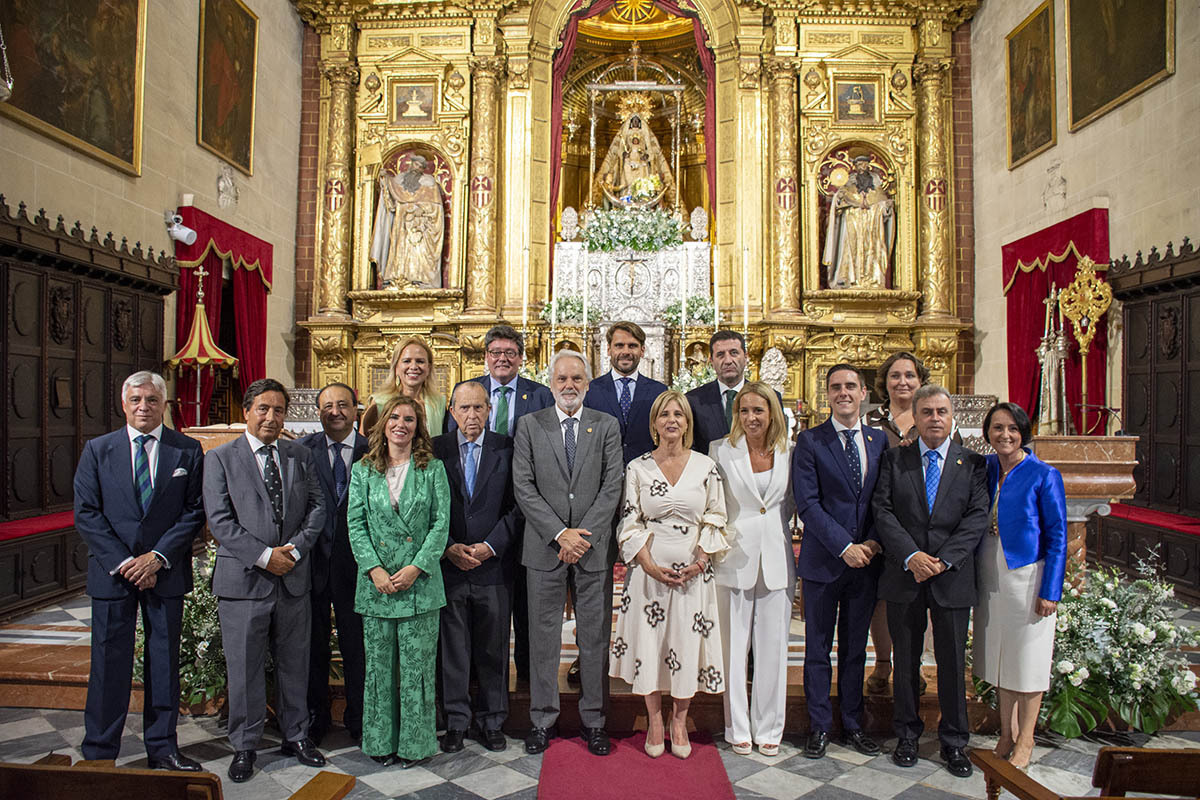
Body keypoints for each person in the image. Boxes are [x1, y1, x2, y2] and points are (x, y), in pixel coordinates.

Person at [73, 371, 206, 771]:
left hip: (165, 570)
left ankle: (163, 748)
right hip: (113, 572)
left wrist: (157, 557)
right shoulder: (98, 450)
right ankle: (100, 751)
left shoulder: (187, 450)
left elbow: (195, 510)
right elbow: (87, 513)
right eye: (136, 400)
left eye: (151, 400)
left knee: (163, 662)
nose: (143, 407)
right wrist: (125, 562)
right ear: (123, 403)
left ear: (164, 404)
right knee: (108, 664)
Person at [203, 379, 328, 783]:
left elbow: (318, 507)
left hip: (292, 577)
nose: (272, 417)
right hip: (243, 581)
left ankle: (297, 735)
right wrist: (264, 556)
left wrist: (294, 551)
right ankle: (245, 745)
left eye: (278, 410)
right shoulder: (221, 458)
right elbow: (220, 520)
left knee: (295, 664)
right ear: (246, 411)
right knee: (244, 669)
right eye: (263, 409)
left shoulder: (298, 454)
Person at [872, 384, 988, 778]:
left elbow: (977, 516)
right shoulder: (895, 459)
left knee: (952, 662)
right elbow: (883, 511)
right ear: (916, 418)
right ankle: (906, 734)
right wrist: (912, 556)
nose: (935, 418)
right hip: (905, 573)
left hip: (951, 576)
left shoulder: (973, 463)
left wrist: (944, 560)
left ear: (952, 417)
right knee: (905, 660)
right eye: (927, 412)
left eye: (941, 411)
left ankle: (954, 741)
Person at [512, 350, 624, 756]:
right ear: (551, 384)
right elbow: (523, 486)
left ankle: (595, 721)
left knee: (594, 639)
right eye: (561, 379)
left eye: (577, 378)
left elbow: (612, 485)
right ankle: (542, 720)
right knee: (543, 640)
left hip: (592, 550)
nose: (569, 385)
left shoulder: (606, 425)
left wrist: (583, 537)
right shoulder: (530, 425)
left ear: (588, 384)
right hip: (545, 549)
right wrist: (561, 534)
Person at [611, 390, 729, 759]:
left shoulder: (706, 467)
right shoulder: (638, 468)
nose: (672, 420)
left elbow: (716, 516)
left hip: (694, 576)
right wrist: (648, 564)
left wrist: (701, 559)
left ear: (688, 423)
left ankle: (679, 720)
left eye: (679, 414)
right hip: (649, 576)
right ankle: (654, 719)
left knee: (685, 645)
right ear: (655, 423)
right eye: (664, 414)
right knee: (650, 646)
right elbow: (629, 520)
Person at [347, 394, 450, 767]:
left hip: (419, 586)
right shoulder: (363, 470)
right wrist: (373, 568)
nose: (400, 425)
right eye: (394, 417)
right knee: (379, 669)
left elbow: (441, 523)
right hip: (377, 586)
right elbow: (355, 523)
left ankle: (414, 744)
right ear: (382, 423)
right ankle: (380, 742)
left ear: (418, 427)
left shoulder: (433, 469)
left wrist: (416, 567)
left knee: (416, 670)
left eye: (409, 419)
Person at [792, 365, 888, 760]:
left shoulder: (879, 441)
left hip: (867, 562)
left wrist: (873, 542)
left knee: (854, 649)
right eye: (835, 387)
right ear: (827, 394)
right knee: (817, 648)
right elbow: (808, 504)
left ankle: (852, 723)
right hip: (824, 562)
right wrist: (844, 545)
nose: (843, 393)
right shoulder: (810, 441)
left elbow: (885, 500)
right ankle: (819, 726)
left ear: (863, 393)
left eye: (850, 386)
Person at [451, 324, 554, 684]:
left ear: (521, 358)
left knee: (524, 604)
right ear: (486, 356)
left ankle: (525, 682)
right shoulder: (468, 392)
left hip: (525, 512)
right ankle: (475, 685)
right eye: (495, 352)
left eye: (510, 353)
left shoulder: (540, 395)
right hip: (478, 513)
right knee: (479, 612)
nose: (502, 359)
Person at [973, 402, 1067, 770]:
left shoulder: (1044, 474)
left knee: (1028, 659)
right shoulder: (986, 467)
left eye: (1013, 428)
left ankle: (1027, 737)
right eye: (997, 428)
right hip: (990, 571)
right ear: (988, 432)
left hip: (1028, 574)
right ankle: (1007, 732)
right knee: (1003, 657)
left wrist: (1050, 591)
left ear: (1023, 432)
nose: (1005, 435)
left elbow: (1058, 536)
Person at [432, 381, 522, 753]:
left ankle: (491, 720)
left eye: (478, 408)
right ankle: (456, 722)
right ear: (452, 411)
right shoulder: (435, 450)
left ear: (489, 410)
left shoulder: (507, 447)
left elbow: (518, 506)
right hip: (449, 565)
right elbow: (425, 507)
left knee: (493, 648)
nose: (472, 415)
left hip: (493, 566)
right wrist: (448, 547)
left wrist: (490, 546)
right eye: (464, 408)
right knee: (453, 649)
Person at [864, 351, 956, 695]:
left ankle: (911, 666)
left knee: (919, 600)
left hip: (924, 529)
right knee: (882, 598)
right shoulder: (870, 422)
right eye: (895, 376)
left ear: (920, 381)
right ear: (884, 382)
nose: (902, 382)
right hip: (879, 524)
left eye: (909, 376)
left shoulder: (933, 418)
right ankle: (882, 662)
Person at [710, 382, 794, 757]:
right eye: (744, 411)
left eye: (758, 410)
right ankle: (738, 727)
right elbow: (714, 504)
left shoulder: (789, 450)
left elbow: (790, 504)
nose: (750, 417)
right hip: (734, 557)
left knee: (773, 647)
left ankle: (770, 727)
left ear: (772, 412)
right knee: (733, 648)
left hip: (776, 555)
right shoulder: (720, 450)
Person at [298, 383, 369, 745]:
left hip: (359, 566)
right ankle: (316, 717)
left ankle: (359, 717)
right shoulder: (301, 451)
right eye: (327, 406)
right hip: (312, 563)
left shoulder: (374, 450)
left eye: (343, 405)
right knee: (314, 647)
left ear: (357, 409)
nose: (335, 412)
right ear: (318, 412)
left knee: (358, 647)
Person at [584, 321, 668, 464]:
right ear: (608, 350)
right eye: (619, 345)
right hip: (602, 471)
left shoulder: (659, 391)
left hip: (647, 470)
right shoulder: (591, 390)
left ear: (642, 351)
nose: (626, 352)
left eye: (632, 346)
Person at [687, 330, 779, 456]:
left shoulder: (770, 397)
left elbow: (777, 440)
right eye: (720, 355)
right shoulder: (693, 400)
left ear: (746, 357)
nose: (728, 360)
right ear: (711, 361)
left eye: (734, 353)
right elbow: (690, 449)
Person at [370, 153, 445, 288]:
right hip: (401, 224)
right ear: (411, 164)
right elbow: (390, 203)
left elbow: (436, 207)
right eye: (416, 164)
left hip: (420, 226)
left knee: (420, 252)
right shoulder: (399, 181)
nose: (417, 168)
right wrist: (385, 180)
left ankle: (421, 279)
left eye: (421, 167)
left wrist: (423, 209)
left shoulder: (428, 182)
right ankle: (397, 277)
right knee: (400, 250)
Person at [822, 155, 894, 288]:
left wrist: (886, 207)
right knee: (851, 248)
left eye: (865, 164)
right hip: (853, 221)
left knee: (873, 249)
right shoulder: (848, 187)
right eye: (860, 164)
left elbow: (882, 206)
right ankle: (850, 278)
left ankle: (873, 278)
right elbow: (838, 206)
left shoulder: (876, 188)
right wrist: (839, 199)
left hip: (872, 224)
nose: (862, 167)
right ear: (855, 167)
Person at [363, 336, 446, 437]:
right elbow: (363, 441)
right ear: (396, 367)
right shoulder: (380, 402)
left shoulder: (439, 402)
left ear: (429, 368)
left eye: (420, 361)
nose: (414, 367)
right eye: (407, 361)